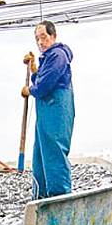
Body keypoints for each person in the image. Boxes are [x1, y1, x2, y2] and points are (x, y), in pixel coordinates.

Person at [22, 20, 75, 199]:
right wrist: (33, 68)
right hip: (46, 115)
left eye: (43, 37)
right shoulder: (48, 58)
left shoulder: (58, 55)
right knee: (40, 155)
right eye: (37, 39)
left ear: (53, 36)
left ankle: (59, 198)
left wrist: (30, 90)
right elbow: (41, 78)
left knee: (54, 152)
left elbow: (44, 85)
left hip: (56, 112)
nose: (40, 42)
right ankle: (41, 198)